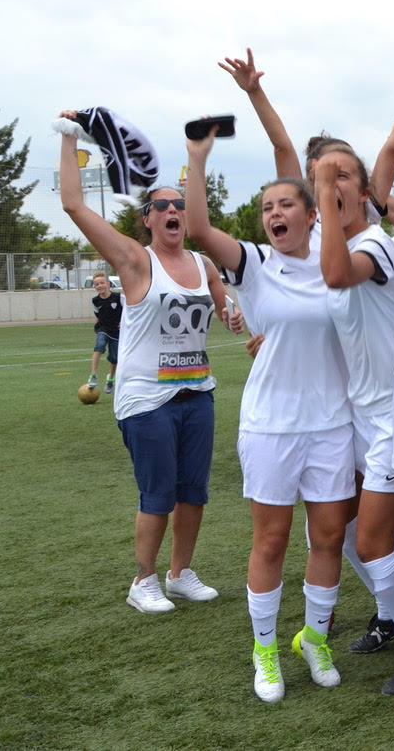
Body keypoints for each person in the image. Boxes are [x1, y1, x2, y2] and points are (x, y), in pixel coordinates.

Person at [185, 129, 354, 704]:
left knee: (328, 537)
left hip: (332, 424)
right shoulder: (255, 263)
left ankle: (315, 641)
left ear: (312, 214)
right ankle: (265, 651)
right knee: (272, 540)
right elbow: (200, 230)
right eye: (266, 208)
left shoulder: (336, 262)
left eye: (285, 204)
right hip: (270, 426)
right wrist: (198, 159)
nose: (274, 214)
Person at [57, 113, 230, 616]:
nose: (173, 210)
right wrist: (68, 137)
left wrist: (236, 316)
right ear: (148, 219)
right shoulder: (135, 260)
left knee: (193, 493)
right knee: (158, 494)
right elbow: (73, 204)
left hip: (197, 393)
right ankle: (144, 580)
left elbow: (226, 309)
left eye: (179, 204)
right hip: (146, 398)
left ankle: (180, 574)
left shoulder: (204, 264)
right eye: (162, 206)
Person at [311, 146, 394, 698]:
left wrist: (324, 198)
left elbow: (336, 275)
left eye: (341, 175)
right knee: (345, 531)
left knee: (377, 541)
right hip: (357, 416)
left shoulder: (375, 244)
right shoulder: (334, 244)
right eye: (322, 177)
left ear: (364, 190)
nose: (331, 184)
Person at [86, 272, 121, 393]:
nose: (99, 286)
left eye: (102, 283)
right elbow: (98, 316)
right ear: (94, 287)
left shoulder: (118, 297)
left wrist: (123, 323)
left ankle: (110, 379)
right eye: (97, 284)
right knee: (99, 346)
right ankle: (93, 376)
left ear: (108, 284)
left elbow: (128, 311)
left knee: (114, 359)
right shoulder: (95, 301)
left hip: (116, 332)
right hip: (103, 329)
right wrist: (98, 329)